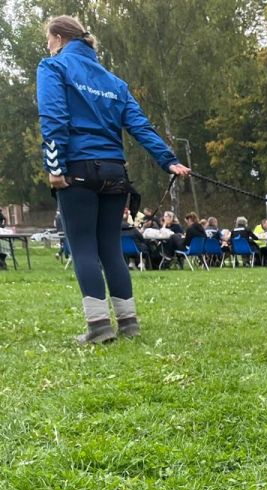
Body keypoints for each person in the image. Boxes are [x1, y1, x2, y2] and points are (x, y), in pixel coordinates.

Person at [37, 14, 190, 343]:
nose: (47, 46)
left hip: (77, 169)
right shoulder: (114, 82)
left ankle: (98, 327)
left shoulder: (53, 67)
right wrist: (169, 160)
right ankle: (129, 323)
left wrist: (55, 167)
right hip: (114, 172)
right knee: (110, 249)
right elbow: (140, 125)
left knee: (82, 248)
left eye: (48, 39)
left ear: (60, 38)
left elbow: (53, 118)